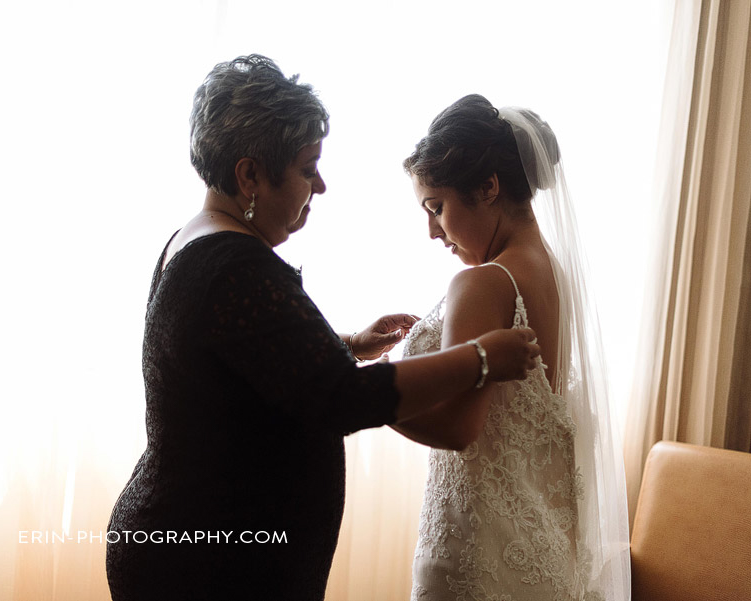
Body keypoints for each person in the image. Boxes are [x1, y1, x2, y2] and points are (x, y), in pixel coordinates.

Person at [105, 58, 541, 601]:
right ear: (250, 176)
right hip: (210, 562)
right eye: (309, 168)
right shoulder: (234, 265)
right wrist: (481, 358)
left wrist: (347, 344)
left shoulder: (196, 241)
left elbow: (237, 360)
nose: (322, 185)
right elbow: (339, 398)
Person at [393, 95, 630, 601]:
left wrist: (351, 397)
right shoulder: (556, 276)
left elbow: (459, 427)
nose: (431, 231)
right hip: (542, 556)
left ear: (489, 187)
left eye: (437, 207)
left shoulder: (483, 284)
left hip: (476, 558)